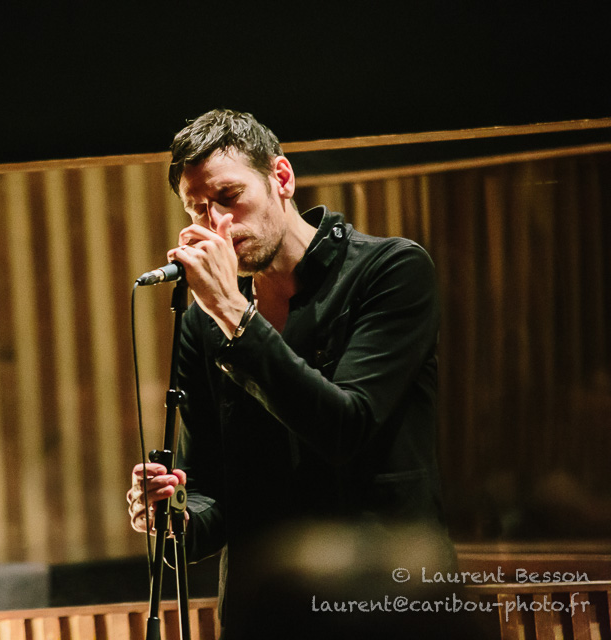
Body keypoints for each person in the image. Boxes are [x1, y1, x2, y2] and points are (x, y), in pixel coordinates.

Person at [126, 109, 455, 637]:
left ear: (281, 177)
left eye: (230, 196)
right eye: (198, 208)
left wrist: (235, 316)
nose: (216, 222)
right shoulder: (204, 322)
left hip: (382, 604)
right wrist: (173, 516)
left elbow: (345, 427)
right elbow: (211, 491)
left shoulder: (390, 271)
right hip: (266, 613)